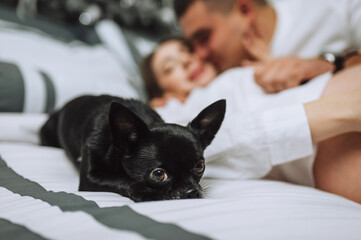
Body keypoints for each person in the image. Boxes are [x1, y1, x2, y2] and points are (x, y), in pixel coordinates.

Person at [141, 38, 361, 203]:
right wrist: (342, 111)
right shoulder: (174, 114)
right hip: (323, 145)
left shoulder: (243, 70)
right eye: (170, 67)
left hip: (331, 95)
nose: (187, 61)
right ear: (161, 97)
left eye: (187, 52)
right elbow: (216, 142)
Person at [173, 0, 361, 93]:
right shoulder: (217, 74)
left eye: (204, 38)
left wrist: (330, 66)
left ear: (245, 11)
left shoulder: (332, 6)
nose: (199, 55)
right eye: (192, 46)